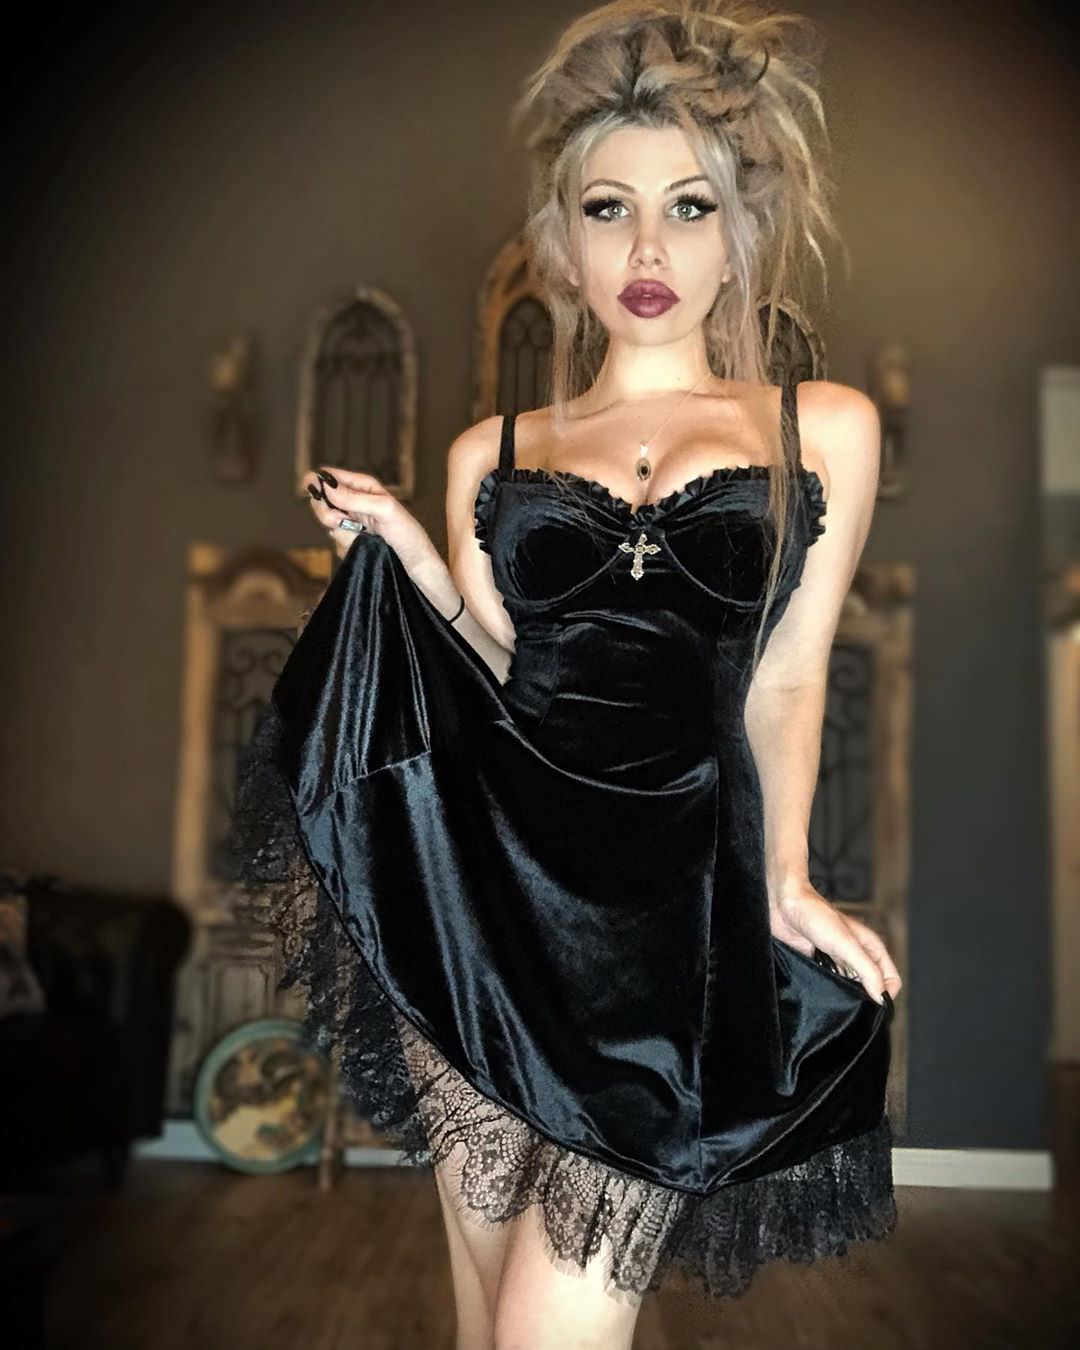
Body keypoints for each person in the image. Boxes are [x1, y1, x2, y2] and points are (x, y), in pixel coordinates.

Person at [232, 2, 904, 1346]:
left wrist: (782, 880)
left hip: (674, 917)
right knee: (488, 1323)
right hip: (484, 893)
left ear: (741, 231)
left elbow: (785, 678)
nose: (649, 251)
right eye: (611, 209)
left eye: (689, 208)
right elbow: (496, 671)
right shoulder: (492, 451)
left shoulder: (819, 427)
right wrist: (415, 560)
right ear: (563, 238)